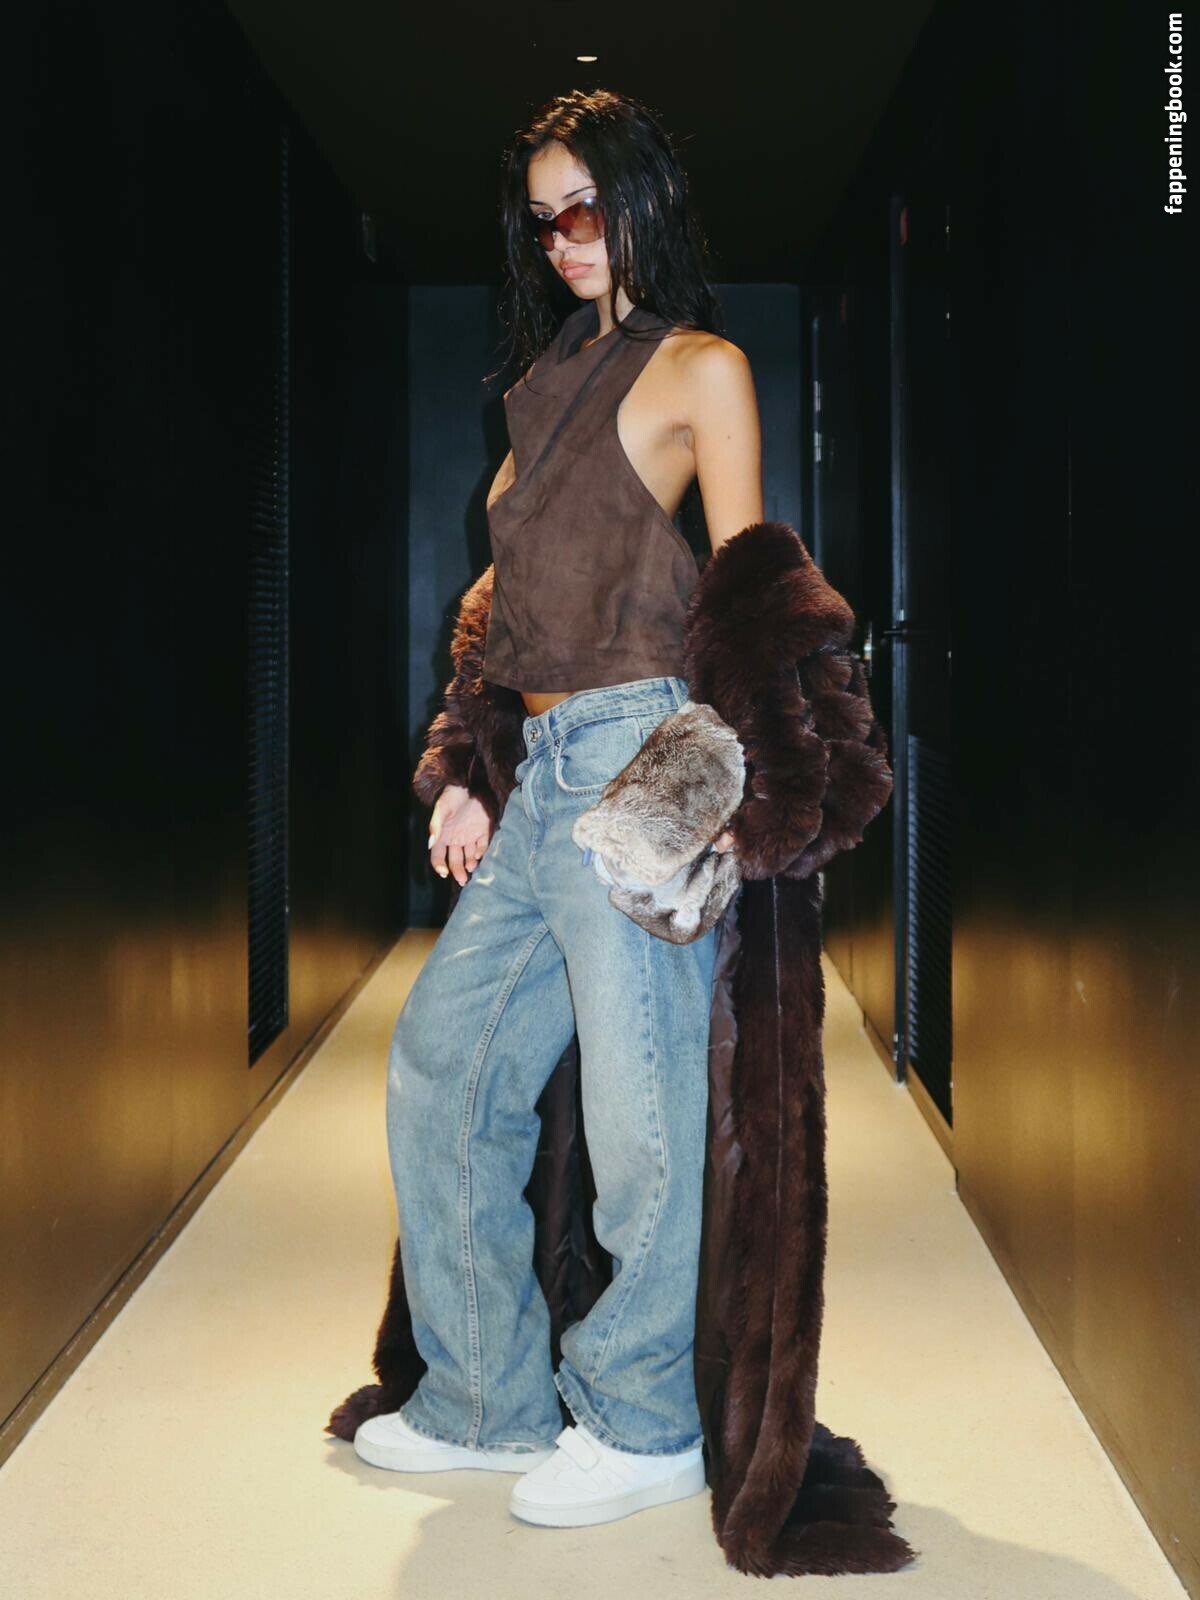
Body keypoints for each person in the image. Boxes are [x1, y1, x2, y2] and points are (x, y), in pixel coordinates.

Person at [353, 87, 764, 1530]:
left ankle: (646, 1421)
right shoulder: (541, 386)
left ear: (646, 196)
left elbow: (750, 596)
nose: (565, 238)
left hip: (638, 754)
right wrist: (472, 767)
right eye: (543, 221)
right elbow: (501, 616)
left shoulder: (703, 367)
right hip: (537, 775)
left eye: (586, 205)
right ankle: (485, 1400)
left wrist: (723, 796)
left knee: (641, 1110)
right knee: (442, 1065)